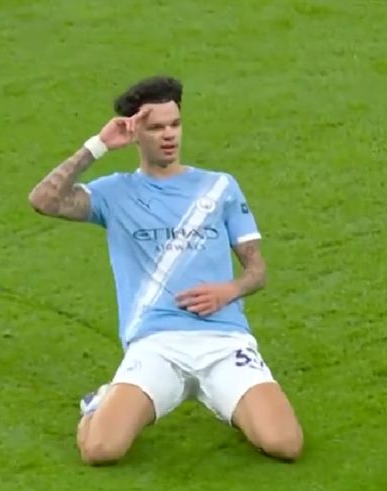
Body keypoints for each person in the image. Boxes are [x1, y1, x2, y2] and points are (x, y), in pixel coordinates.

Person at [28, 75, 303, 466]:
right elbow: (43, 200)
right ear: (135, 133)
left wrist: (229, 290)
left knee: (285, 444)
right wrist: (99, 144)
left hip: (224, 342)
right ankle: (100, 403)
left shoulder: (219, 188)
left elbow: (257, 271)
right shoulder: (114, 193)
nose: (169, 135)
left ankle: (225, 399)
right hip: (156, 344)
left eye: (175, 124)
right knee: (101, 451)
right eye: (156, 128)